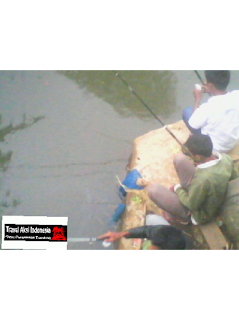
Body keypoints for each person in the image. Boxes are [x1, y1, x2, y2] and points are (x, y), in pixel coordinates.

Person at [147, 134, 239, 225]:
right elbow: (235, 179)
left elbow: (191, 204)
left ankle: (184, 218)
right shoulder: (225, 158)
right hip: (210, 196)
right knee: (180, 159)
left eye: (190, 154)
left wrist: (177, 188)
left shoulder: (202, 180)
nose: (190, 157)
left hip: (201, 214)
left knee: (153, 190)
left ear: (198, 156)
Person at [183, 70, 239, 153]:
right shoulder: (236, 95)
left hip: (214, 148)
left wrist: (197, 99)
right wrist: (211, 90)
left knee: (187, 111)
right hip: (231, 144)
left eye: (206, 81)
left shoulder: (208, 107)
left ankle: (196, 143)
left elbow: (192, 124)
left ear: (211, 85)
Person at [98, 214, 189, 250]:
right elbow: (146, 230)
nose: (150, 248)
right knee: (151, 219)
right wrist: (121, 234)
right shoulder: (163, 233)